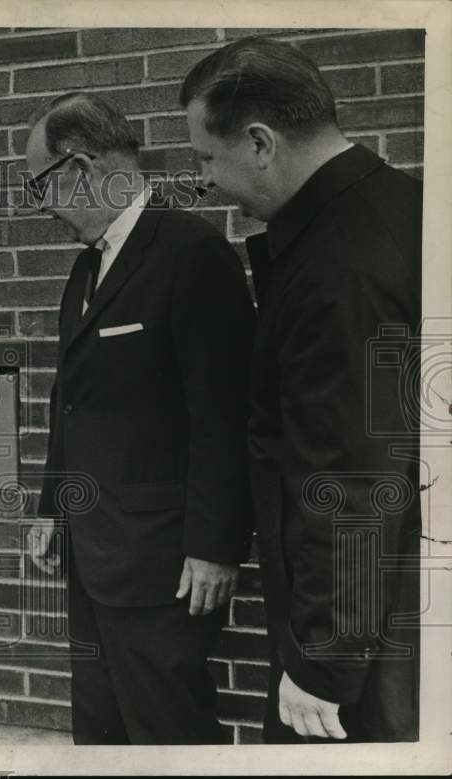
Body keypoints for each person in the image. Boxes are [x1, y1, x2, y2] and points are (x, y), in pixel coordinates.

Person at [181, 36, 421, 743]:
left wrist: (322, 660)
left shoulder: (335, 267)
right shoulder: (402, 207)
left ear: (260, 143)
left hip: (364, 644)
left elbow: (348, 475)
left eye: (206, 158)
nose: (204, 180)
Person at [24, 92, 255, 744]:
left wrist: (215, 547)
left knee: (167, 734)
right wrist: (51, 507)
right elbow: (71, 399)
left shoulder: (191, 253)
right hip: (93, 555)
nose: (42, 205)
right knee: (101, 732)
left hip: (163, 567)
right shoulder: (86, 268)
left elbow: (225, 413)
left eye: (41, 185)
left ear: (80, 167)